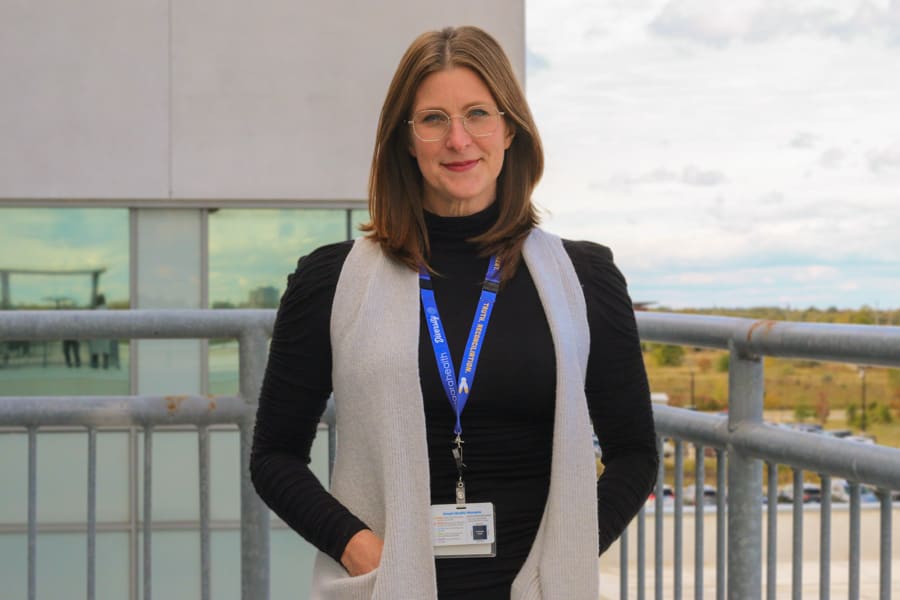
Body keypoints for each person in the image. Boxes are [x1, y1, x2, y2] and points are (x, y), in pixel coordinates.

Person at [251, 26, 658, 600]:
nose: (458, 139)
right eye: (434, 119)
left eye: (477, 114)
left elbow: (636, 453)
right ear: (405, 139)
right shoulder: (333, 280)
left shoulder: (584, 279)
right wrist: (361, 549)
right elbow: (274, 457)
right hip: (389, 586)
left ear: (510, 128)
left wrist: (565, 551)